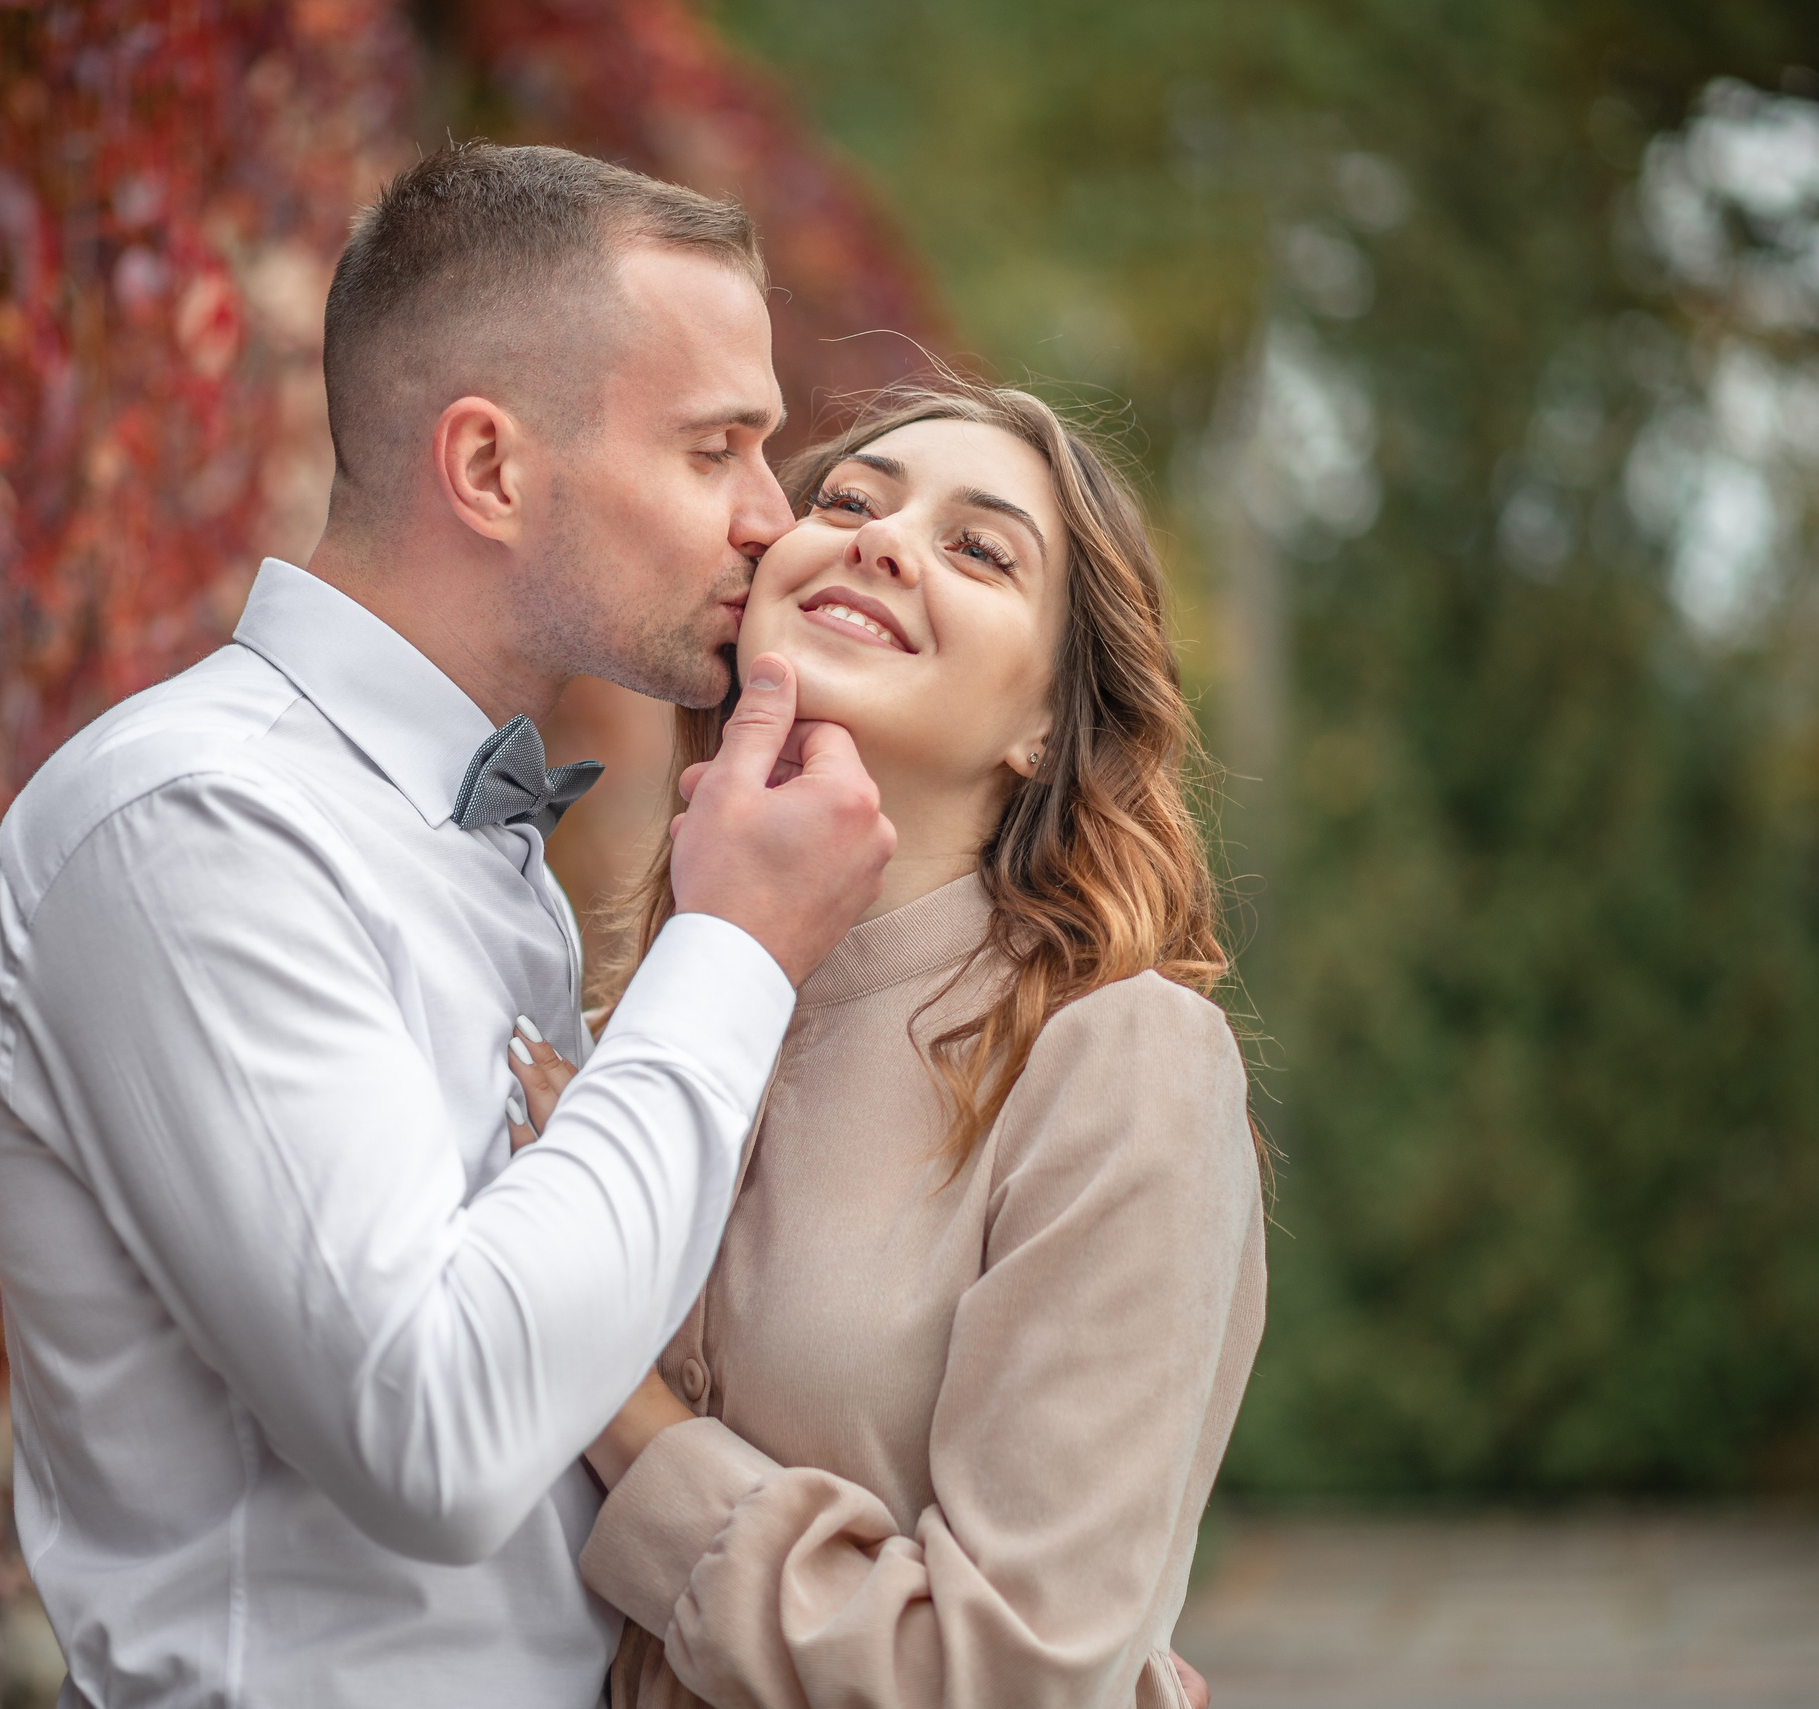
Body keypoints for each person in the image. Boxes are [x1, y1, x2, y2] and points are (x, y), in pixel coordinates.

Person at [0, 142, 894, 1707]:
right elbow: (435, 1434)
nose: (772, 522)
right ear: (491, 469)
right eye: (719, 448)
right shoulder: (194, 827)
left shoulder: (468, 834)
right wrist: (736, 951)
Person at [505, 377, 1266, 1709]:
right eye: (848, 501)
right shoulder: (639, 1034)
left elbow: (1008, 1674)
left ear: (1047, 725)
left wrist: (624, 1411)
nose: (877, 538)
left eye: (981, 549)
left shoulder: (1124, 1060)